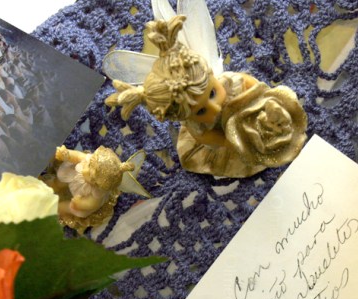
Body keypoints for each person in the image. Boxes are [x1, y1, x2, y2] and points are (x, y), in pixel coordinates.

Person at [110, 15, 306, 178]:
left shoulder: (232, 82)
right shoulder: (199, 129)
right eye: (201, 111)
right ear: (185, 118)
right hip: (235, 143)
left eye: (212, 93)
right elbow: (220, 141)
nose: (215, 107)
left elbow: (256, 86)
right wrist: (238, 139)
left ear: (212, 75)